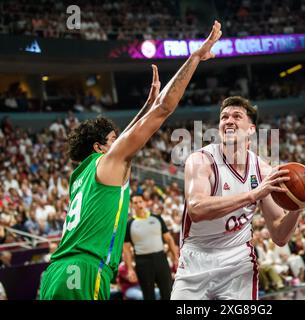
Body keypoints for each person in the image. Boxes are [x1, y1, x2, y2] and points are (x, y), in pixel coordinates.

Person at [38, 21, 223, 300]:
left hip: (56, 273)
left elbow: (135, 128)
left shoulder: (80, 175)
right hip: (84, 271)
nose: (122, 141)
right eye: (114, 139)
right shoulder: (108, 161)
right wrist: (194, 58)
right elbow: (164, 109)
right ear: (100, 147)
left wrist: (145, 106)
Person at [171, 96, 305, 300]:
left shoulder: (263, 170)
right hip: (196, 256)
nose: (229, 120)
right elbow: (197, 209)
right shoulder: (201, 160)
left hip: (237, 258)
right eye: (224, 117)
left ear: (251, 129)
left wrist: (298, 206)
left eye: (236, 116)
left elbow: (279, 235)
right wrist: (252, 195)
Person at [122, 194, 179, 300]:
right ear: (132, 205)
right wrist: (130, 269)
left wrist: (175, 257)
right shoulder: (130, 224)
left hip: (161, 258)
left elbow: (169, 239)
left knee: (168, 292)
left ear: (145, 202)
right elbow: (126, 249)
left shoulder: (157, 218)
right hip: (142, 262)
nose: (139, 204)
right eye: (135, 202)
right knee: (148, 295)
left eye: (140, 201)